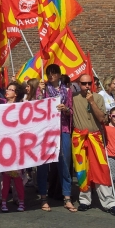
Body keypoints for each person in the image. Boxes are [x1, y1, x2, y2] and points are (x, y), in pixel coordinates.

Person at [73, 74, 115, 216]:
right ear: (79, 84)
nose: (87, 86)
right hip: (80, 138)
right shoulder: (73, 98)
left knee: (101, 169)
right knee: (82, 170)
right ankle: (85, 200)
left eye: (89, 83)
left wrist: (92, 102)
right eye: (84, 83)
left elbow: (102, 119)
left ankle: (109, 203)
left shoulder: (98, 98)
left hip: (95, 137)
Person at [39, 65, 75, 213]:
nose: (51, 76)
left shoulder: (67, 91)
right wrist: (40, 93)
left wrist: (65, 109)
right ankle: (43, 197)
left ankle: (67, 197)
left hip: (63, 129)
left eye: (54, 73)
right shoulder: (43, 89)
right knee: (43, 164)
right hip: (46, 131)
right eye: (49, 73)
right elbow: (36, 107)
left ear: (59, 75)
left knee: (64, 163)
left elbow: (71, 110)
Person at [0, 82, 25, 206]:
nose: (7, 91)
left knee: (16, 171)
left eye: (11, 89)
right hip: (2, 142)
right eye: (7, 88)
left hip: (16, 143)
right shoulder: (1, 104)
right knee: (0, 172)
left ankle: (17, 196)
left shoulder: (21, 107)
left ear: (16, 94)